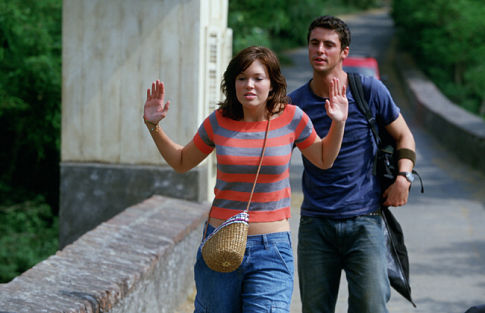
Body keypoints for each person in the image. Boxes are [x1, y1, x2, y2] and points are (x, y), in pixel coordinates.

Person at [143, 46, 348, 313]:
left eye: (257, 78)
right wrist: (153, 126)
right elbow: (182, 162)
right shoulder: (218, 122)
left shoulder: (292, 118)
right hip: (219, 243)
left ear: (272, 83)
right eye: (241, 78)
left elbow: (323, 159)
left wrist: (338, 123)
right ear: (233, 83)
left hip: (271, 248)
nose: (249, 85)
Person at [288, 16, 416, 313]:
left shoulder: (369, 91)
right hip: (316, 224)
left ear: (344, 52)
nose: (320, 50)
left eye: (329, 45)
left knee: (371, 307)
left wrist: (403, 178)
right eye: (314, 43)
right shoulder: (296, 104)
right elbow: (272, 156)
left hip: (365, 221)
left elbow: (404, 135)